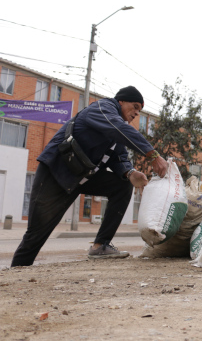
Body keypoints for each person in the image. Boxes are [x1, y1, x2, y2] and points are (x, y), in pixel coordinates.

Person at [11, 86, 168, 267]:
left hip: (81, 177)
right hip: (56, 173)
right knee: (35, 235)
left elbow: (119, 158)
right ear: (121, 101)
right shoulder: (102, 108)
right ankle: (16, 274)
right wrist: (152, 154)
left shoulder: (118, 129)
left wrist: (130, 172)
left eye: (139, 110)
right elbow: (116, 128)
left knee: (123, 185)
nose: (135, 113)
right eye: (134, 107)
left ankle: (100, 245)